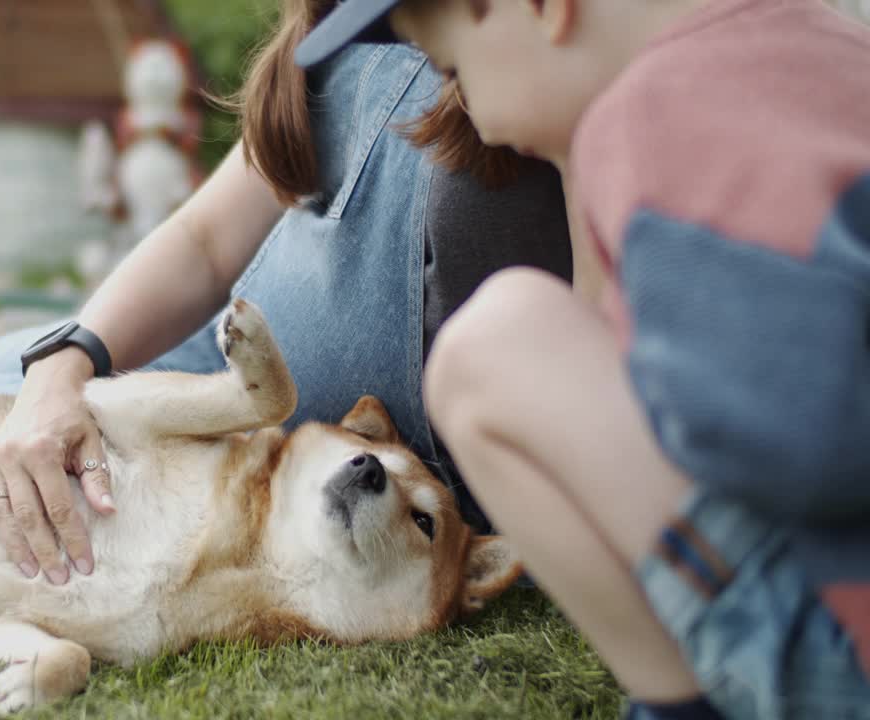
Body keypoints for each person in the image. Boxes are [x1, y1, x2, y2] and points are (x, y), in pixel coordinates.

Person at [293, 0, 870, 718]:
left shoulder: (649, 115)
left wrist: (653, 406)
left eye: (456, 71)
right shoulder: (824, 47)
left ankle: (681, 702)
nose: (477, 118)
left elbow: (807, 430)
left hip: (832, 643)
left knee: (487, 355)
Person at [0, 0, 575, 588]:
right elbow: (206, 241)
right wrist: (66, 362)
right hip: (223, 372)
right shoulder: (335, 34)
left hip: (355, 486)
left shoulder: (526, 56)